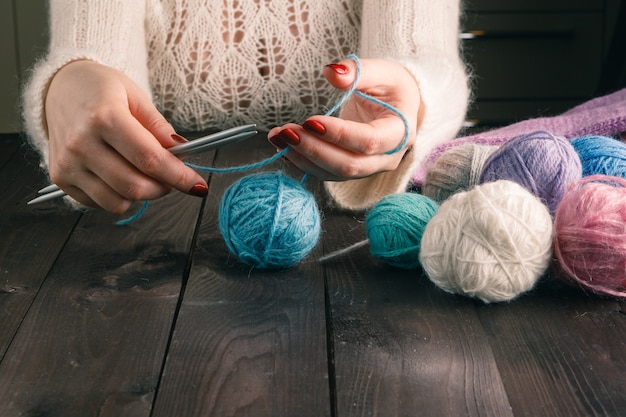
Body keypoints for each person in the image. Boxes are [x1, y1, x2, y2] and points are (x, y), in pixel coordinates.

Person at [22, 0, 469, 214]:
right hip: (157, 217)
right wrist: (72, 80)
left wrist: (413, 91)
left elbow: (422, 55)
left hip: (351, 214)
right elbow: (95, 49)